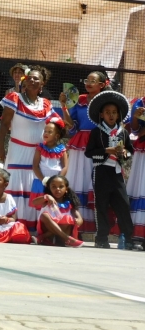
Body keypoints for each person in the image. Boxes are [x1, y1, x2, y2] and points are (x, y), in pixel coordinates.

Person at [0, 66, 53, 232]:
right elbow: (4, 124)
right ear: (25, 81)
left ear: (42, 85)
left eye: (37, 79)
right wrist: (1, 147)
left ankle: (31, 229)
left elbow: (57, 126)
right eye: (30, 78)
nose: (33, 80)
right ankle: (12, 226)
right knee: (15, 187)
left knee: (33, 189)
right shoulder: (14, 98)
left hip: (37, 155)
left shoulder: (46, 104)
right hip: (17, 151)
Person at [85, 90, 140, 250]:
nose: (111, 115)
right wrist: (105, 151)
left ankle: (128, 238)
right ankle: (101, 238)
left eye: (114, 113)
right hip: (100, 172)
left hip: (117, 173)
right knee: (101, 205)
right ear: (101, 114)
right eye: (107, 112)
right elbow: (88, 152)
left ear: (118, 115)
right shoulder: (96, 132)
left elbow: (130, 151)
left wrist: (124, 153)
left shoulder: (123, 132)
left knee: (123, 205)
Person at [58, 71, 111, 234]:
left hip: (99, 143)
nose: (88, 83)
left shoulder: (107, 101)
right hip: (80, 144)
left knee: (95, 182)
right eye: (87, 80)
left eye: (93, 80)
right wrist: (64, 106)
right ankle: (76, 225)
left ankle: (99, 228)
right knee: (77, 179)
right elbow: (72, 126)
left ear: (102, 85)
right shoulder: (79, 99)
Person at [28, 115, 69, 209]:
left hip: (56, 183)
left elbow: (65, 167)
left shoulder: (62, 149)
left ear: (57, 136)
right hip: (41, 181)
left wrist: (58, 180)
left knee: (53, 206)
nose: (46, 133)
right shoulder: (40, 148)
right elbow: (35, 166)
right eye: (45, 131)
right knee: (41, 206)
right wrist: (43, 180)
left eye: (50, 132)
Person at [31, 175, 83, 247]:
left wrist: (79, 220)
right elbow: (34, 202)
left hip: (63, 230)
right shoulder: (46, 200)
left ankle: (43, 237)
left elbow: (79, 217)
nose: (57, 189)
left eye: (61, 186)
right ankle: (67, 238)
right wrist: (46, 197)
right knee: (44, 215)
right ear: (49, 188)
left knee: (68, 218)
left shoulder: (69, 204)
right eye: (54, 187)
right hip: (46, 227)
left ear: (66, 189)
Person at [126, 95, 145, 241]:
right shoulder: (140, 102)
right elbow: (135, 129)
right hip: (143, 149)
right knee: (142, 186)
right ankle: (138, 236)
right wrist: (136, 117)